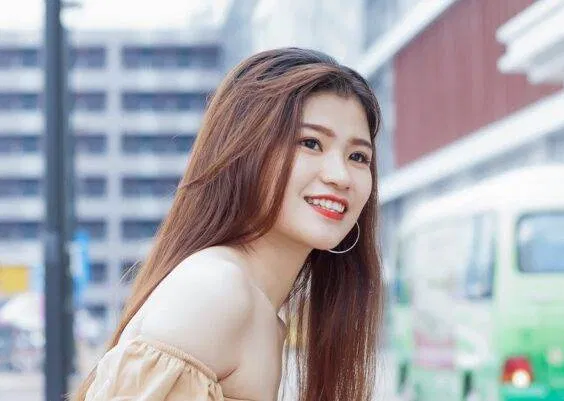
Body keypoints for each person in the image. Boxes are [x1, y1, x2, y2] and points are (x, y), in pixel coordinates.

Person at [71, 47, 384, 401]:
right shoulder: (217, 289)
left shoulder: (258, 307)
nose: (340, 176)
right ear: (246, 149)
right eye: (310, 143)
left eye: (358, 156)